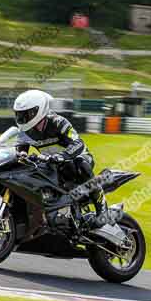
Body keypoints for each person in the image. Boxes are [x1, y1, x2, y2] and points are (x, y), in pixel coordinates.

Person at [13, 89, 107, 227]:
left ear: (38, 111)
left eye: (25, 114)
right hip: (52, 163)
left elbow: (78, 143)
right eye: (19, 115)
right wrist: (21, 156)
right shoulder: (24, 131)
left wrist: (62, 156)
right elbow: (21, 149)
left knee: (81, 164)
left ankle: (102, 207)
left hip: (76, 157)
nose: (22, 119)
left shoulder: (57, 122)